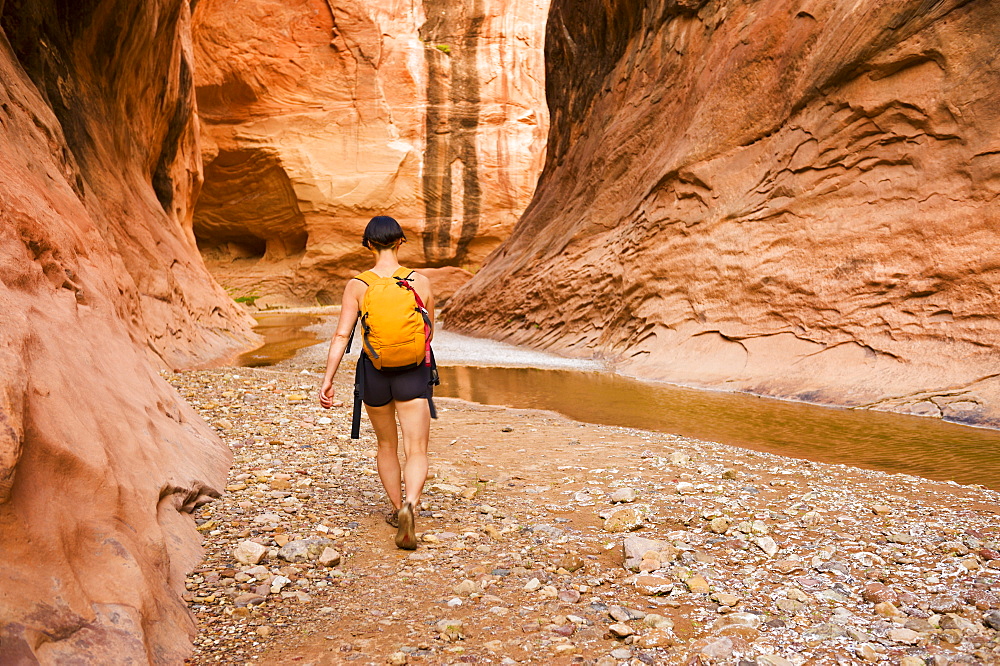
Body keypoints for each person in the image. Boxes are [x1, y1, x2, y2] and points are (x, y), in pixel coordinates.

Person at [319, 216, 435, 550]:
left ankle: (397, 509)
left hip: (374, 373)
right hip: (413, 372)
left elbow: (342, 335)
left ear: (368, 244)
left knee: (386, 445)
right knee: (417, 448)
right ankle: (412, 504)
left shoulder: (358, 285)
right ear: (400, 242)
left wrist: (328, 380)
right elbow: (429, 331)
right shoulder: (420, 282)